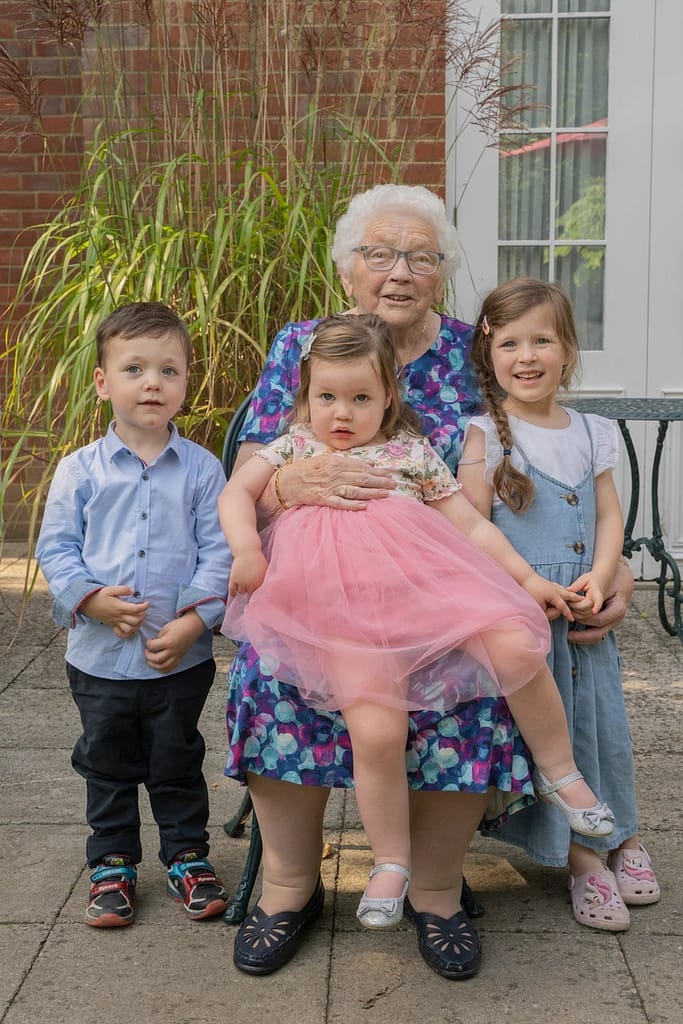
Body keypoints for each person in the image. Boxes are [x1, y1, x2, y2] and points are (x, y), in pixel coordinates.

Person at [223, 184, 632, 979]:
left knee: (476, 679)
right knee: (274, 678)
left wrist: (599, 563)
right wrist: (292, 485)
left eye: (420, 256)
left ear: (442, 271)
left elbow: (541, 450)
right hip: (320, 589)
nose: (399, 271)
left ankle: (435, 890)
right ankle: (287, 885)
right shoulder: (304, 344)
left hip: (438, 583)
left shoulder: (475, 351)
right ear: (346, 270)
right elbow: (250, 473)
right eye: (379, 254)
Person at [457, 277, 660, 932]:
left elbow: (609, 516)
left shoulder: (592, 431)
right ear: (488, 355)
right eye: (510, 343)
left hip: (584, 610)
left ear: (568, 350)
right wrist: (523, 586)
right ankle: (580, 859)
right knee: (555, 740)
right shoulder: (483, 437)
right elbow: (470, 530)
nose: (527, 356)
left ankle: (623, 834)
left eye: (542, 340)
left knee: (604, 730)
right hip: (526, 620)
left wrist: (601, 575)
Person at [36, 302, 232, 928]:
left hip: (179, 658)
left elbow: (219, 553)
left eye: (169, 370)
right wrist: (89, 599)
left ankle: (187, 857)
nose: (153, 383)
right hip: (99, 660)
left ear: (186, 382)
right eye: (135, 369)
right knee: (106, 764)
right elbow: (57, 549)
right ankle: (112, 863)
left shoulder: (201, 470)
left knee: (177, 760)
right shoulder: (80, 470)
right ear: (103, 382)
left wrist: (195, 621)